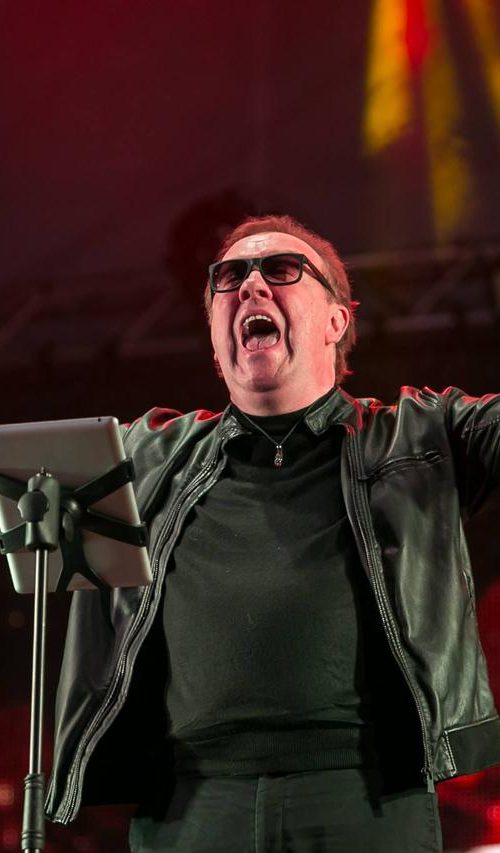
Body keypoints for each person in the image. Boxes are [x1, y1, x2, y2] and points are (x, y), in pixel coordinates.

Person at [45, 214, 500, 852]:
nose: (250, 285)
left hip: (365, 799)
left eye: (282, 270)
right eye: (229, 277)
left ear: (336, 321)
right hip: (189, 809)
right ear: (215, 339)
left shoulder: (420, 437)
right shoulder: (142, 455)